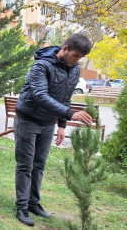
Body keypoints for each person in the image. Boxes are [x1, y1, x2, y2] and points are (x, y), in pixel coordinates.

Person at [14, 33, 93, 226]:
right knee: (26, 166)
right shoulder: (40, 66)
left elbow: (64, 98)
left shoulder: (73, 70)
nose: (76, 61)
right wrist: (69, 114)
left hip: (48, 123)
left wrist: (61, 125)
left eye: (80, 58)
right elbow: (40, 95)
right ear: (64, 49)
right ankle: (22, 207)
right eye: (75, 56)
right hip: (28, 120)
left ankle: (34, 203)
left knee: (39, 165)